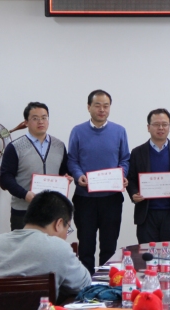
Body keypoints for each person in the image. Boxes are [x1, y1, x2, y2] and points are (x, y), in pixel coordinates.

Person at [0, 191, 91, 301]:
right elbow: (85, 286)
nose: (66, 235)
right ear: (58, 223)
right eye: (67, 228)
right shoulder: (59, 248)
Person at [67, 89, 130, 274]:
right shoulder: (78, 131)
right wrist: (78, 175)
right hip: (84, 198)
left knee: (109, 247)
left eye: (106, 106)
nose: (102, 109)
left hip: (111, 198)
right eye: (97, 105)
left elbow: (125, 159)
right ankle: (86, 283)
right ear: (89, 107)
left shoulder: (119, 131)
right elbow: (72, 159)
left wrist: (122, 175)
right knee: (86, 246)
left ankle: (106, 282)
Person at [0, 101, 72, 230]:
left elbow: (63, 171)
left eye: (44, 117)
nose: (41, 122)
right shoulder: (15, 147)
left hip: (52, 210)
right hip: (23, 210)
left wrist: (67, 178)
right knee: (23, 243)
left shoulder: (59, 145)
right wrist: (24, 194)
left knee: (49, 243)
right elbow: (6, 177)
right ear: (26, 122)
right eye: (35, 118)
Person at [127, 108, 170, 243]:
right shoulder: (137, 152)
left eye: (164, 124)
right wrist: (133, 193)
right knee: (147, 253)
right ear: (148, 127)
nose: (161, 128)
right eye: (156, 124)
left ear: (169, 127)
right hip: (146, 214)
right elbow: (131, 178)